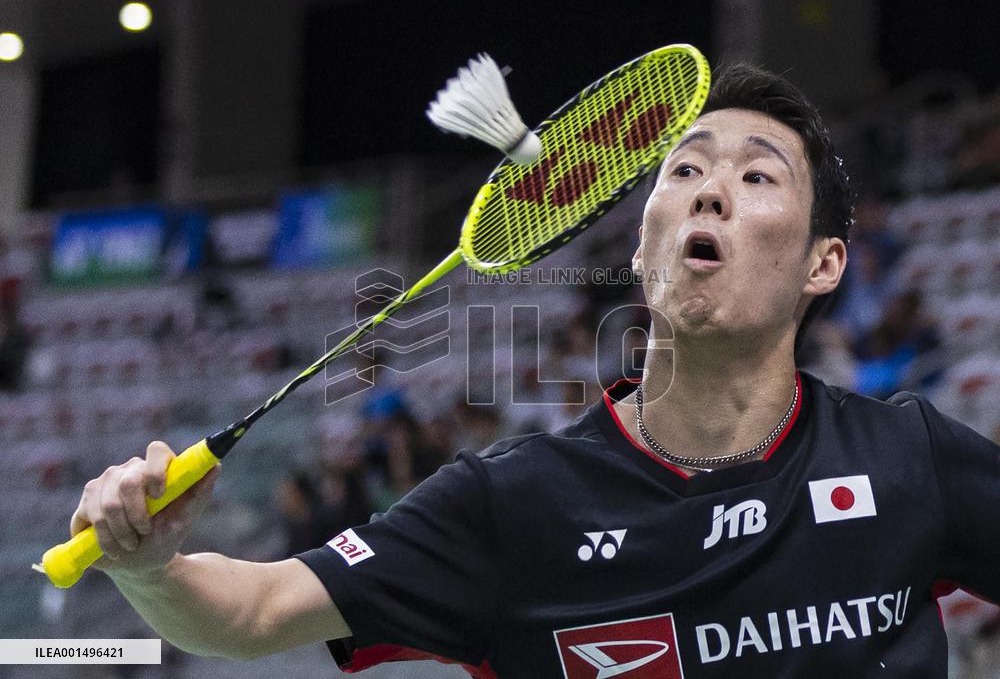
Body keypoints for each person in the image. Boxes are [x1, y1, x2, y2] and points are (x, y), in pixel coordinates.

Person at [70, 64, 999, 677]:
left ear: (822, 265)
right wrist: (151, 569)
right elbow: (255, 609)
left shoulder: (906, 457)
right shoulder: (513, 502)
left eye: (758, 178)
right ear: (642, 251)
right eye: (682, 172)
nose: (711, 188)